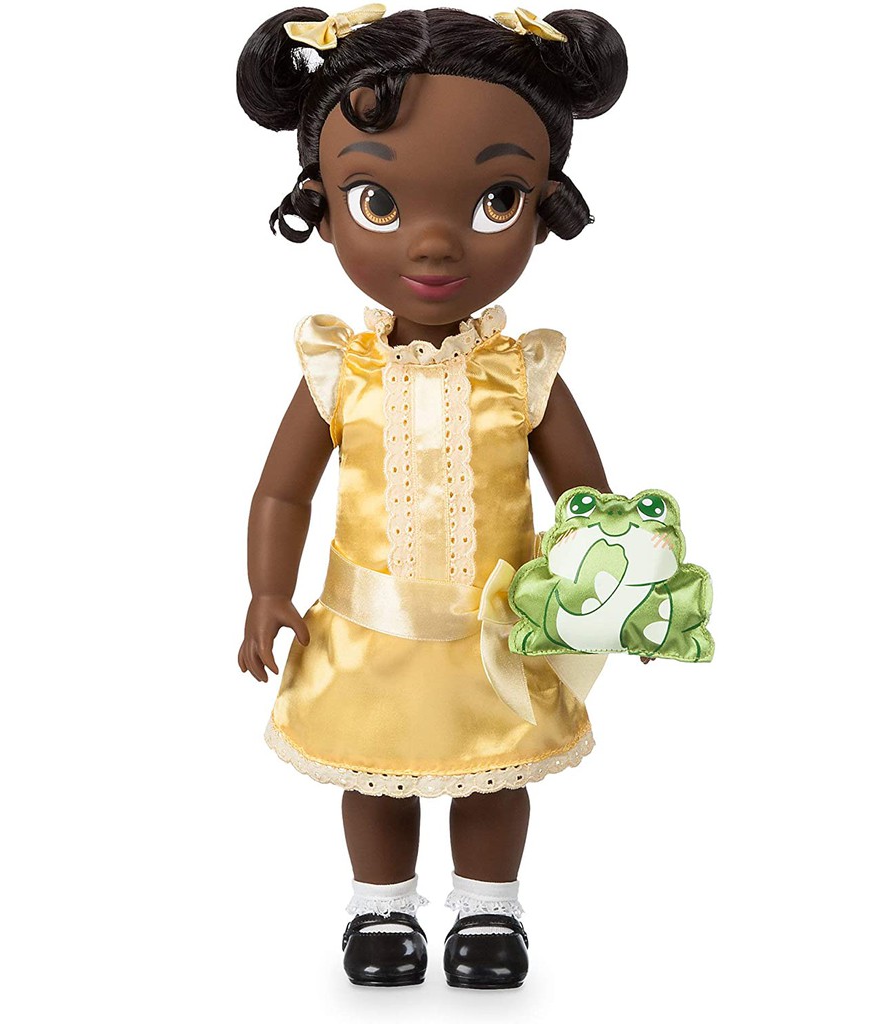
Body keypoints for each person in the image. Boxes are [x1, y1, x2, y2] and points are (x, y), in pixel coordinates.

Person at [235, 4, 632, 988]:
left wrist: (608, 577)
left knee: (494, 774)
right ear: (322, 206)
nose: (435, 242)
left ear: (544, 205)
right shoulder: (339, 368)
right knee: (375, 775)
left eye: (496, 200)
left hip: (498, 631)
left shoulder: (523, 373)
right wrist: (267, 589)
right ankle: (380, 910)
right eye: (378, 201)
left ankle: (489, 911)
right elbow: (282, 492)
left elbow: (587, 497)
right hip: (366, 629)